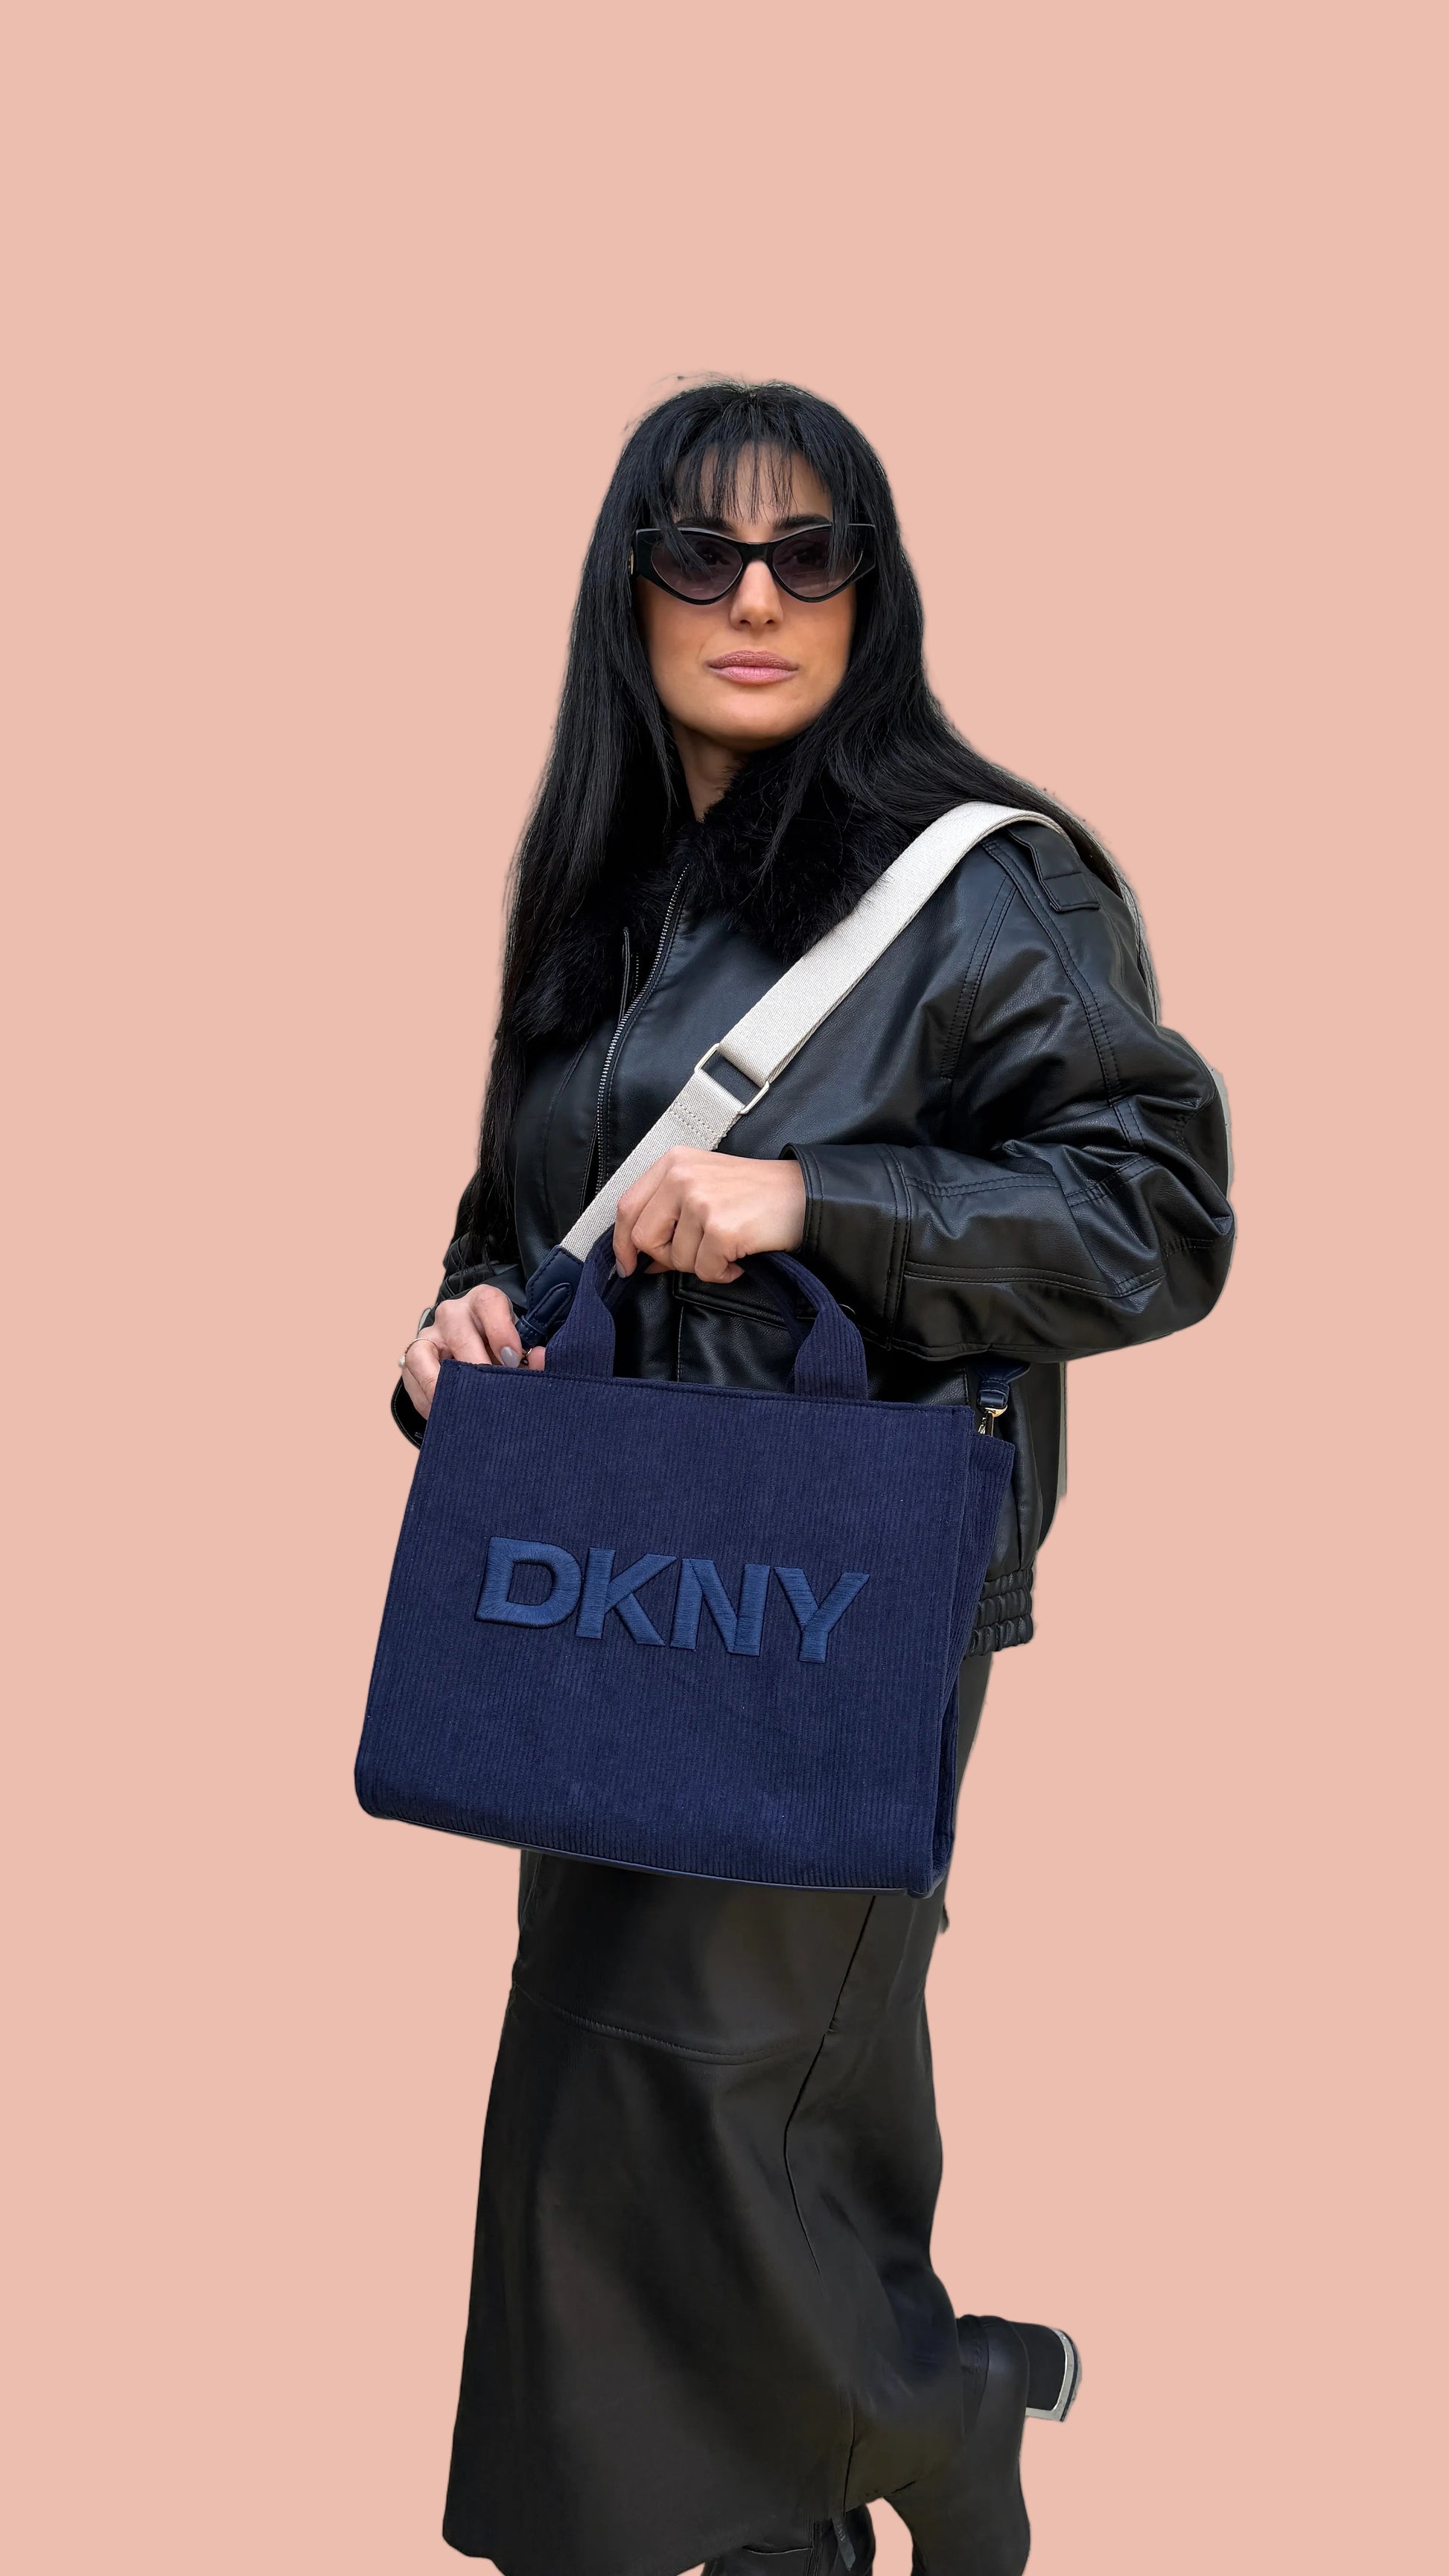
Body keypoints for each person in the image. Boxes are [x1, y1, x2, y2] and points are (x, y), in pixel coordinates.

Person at [392, 380, 1235, 2576]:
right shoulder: (602, 906)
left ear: (871, 590)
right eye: (701, 551)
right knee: (620, 2112)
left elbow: (1155, 1216)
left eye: (807, 552)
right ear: (629, 594)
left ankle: (943, 2413)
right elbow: (522, 1225)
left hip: (830, 1592)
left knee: (712, 2090)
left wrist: (818, 1203)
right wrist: (455, 1328)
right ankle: (807, 2523)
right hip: (605, 1583)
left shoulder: (981, 884)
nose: (754, 596)